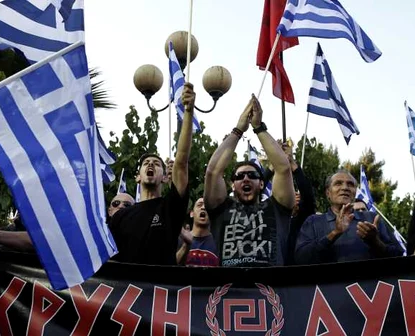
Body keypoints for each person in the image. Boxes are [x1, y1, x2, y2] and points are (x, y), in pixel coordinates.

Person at [204, 95, 296, 267]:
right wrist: (238, 130)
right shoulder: (220, 210)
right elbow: (213, 171)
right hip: (230, 291)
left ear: (262, 184)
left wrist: (258, 127)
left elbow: (283, 168)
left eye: (252, 175)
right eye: (239, 176)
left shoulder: (277, 209)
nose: (246, 178)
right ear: (232, 185)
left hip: (270, 291)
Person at [108, 84, 195, 265]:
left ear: (164, 177)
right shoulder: (120, 217)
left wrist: (188, 112)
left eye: (156, 164)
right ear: (138, 177)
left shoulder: (170, 208)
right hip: (128, 290)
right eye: (146, 163)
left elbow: (181, 161)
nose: (150, 165)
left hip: (162, 291)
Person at [295, 170, 404, 264]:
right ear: (328, 193)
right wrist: (334, 233)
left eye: (350, 184)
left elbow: (399, 256)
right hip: (327, 287)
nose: (345, 188)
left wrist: (375, 242)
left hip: (366, 287)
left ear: (355, 192)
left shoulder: (371, 219)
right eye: (338, 183)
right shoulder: (314, 221)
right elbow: (301, 259)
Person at [264, 140, 315, 265]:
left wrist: (292, 163)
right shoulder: (267, 215)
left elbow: (308, 195)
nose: (292, 196)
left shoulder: (303, 219)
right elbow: (257, 187)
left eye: (295, 194)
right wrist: (274, 163)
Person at [177, 198, 219, 267]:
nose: (203, 208)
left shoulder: (219, 241)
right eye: (199, 205)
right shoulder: (180, 239)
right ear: (192, 213)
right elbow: (171, 267)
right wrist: (186, 245)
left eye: (207, 207)